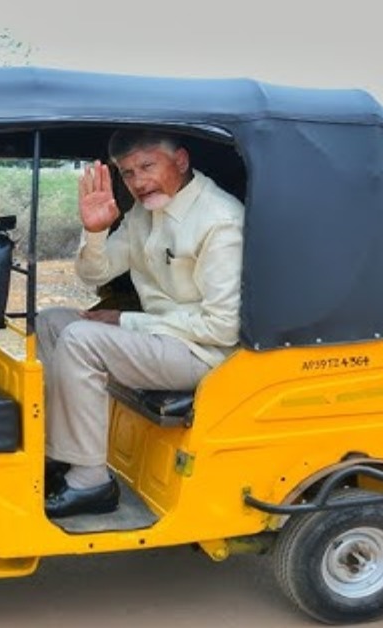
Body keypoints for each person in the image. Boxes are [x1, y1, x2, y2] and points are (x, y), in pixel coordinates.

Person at [39, 129, 244, 518]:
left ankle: (91, 480)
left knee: (83, 339)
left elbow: (223, 326)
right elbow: (94, 273)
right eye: (128, 173)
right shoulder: (142, 213)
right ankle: (61, 455)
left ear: (180, 161)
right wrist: (96, 232)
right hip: (163, 337)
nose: (138, 182)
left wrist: (128, 321)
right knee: (51, 322)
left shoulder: (219, 220)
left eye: (147, 166)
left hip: (205, 354)